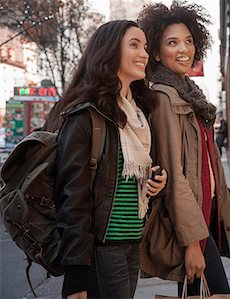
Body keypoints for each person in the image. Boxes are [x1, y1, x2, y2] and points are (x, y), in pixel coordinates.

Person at [53, 20, 167, 299]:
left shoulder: (138, 116)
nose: (144, 54)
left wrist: (155, 181)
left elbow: (125, 178)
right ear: (109, 51)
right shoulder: (86, 117)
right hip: (102, 248)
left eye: (145, 47)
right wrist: (76, 276)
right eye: (134, 45)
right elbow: (73, 198)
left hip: (131, 241)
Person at [137, 1, 230, 296]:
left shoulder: (189, 93)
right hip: (192, 227)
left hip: (203, 216)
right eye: (172, 42)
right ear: (156, 52)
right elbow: (174, 176)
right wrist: (192, 243)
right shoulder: (165, 98)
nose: (184, 49)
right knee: (218, 291)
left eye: (189, 41)